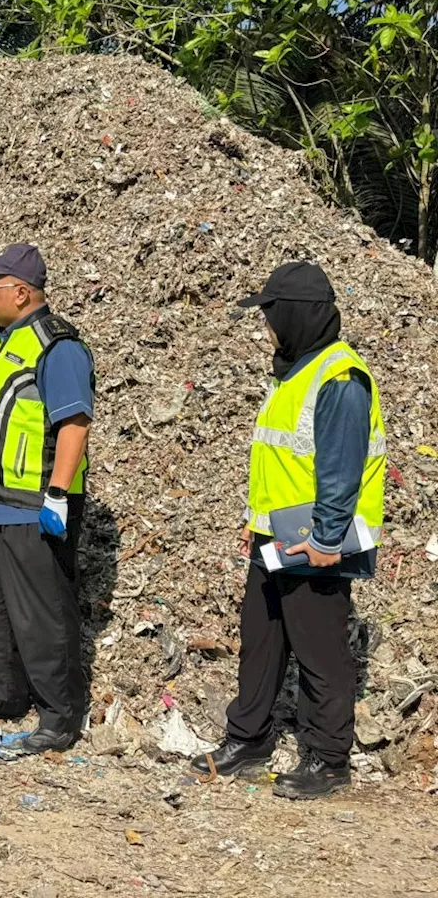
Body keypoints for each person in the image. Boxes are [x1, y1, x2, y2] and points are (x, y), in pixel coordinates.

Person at [192, 262, 386, 800]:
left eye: (270, 316)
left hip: (316, 541)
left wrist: (326, 540)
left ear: (295, 315)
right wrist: (257, 529)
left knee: (320, 650)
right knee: (262, 639)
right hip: (276, 536)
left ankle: (328, 759)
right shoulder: (297, 371)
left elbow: (340, 468)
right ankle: (247, 741)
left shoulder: (340, 379)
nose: (266, 328)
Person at [0, 243, 95, 755]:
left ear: (22, 292)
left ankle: (59, 715)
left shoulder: (57, 347)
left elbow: (74, 425)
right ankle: (2, 693)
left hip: (33, 505)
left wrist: (57, 494)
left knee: (42, 613)